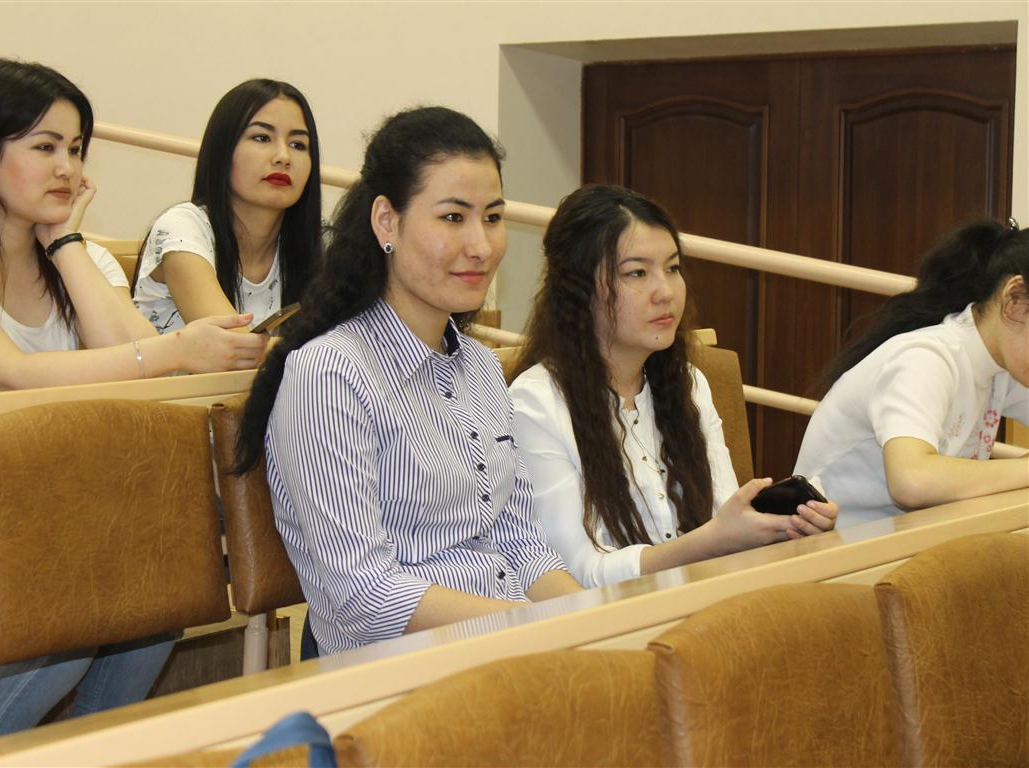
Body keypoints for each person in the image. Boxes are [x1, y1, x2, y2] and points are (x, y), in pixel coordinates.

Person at [0, 58, 265, 744]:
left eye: (77, 148)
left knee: (161, 580)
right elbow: (4, 375)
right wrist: (176, 349)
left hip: (33, 504)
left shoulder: (80, 260)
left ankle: (89, 752)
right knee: (72, 596)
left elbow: (141, 373)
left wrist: (64, 244)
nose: (67, 168)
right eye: (44, 146)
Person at [235, 107, 583, 656]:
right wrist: (531, 629)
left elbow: (522, 543)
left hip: (506, 645)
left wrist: (591, 622)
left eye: (493, 217)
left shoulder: (481, 366)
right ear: (386, 222)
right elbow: (363, 594)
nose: (481, 245)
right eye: (453, 217)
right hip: (397, 667)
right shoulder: (330, 373)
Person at [508, 185, 838, 588]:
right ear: (578, 291)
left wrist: (778, 528)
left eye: (673, 268)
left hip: (704, 600)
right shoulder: (536, 402)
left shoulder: (689, 384)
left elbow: (723, 519)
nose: (665, 292)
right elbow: (575, 572)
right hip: (619, 616)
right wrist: (713, 540)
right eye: (637, 273)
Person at [795, 220, 1028, 527]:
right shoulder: (926, 359)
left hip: (901, 541)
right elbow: (911, 481)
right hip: (830, 544)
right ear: (1014, 300)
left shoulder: (999, 365)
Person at [132, 79, 321, 333]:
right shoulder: (183, 229)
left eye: (298, 145)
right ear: (223, 150)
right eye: (262, 138)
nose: (283, 157)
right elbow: (234, 345)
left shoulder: (318, 245)